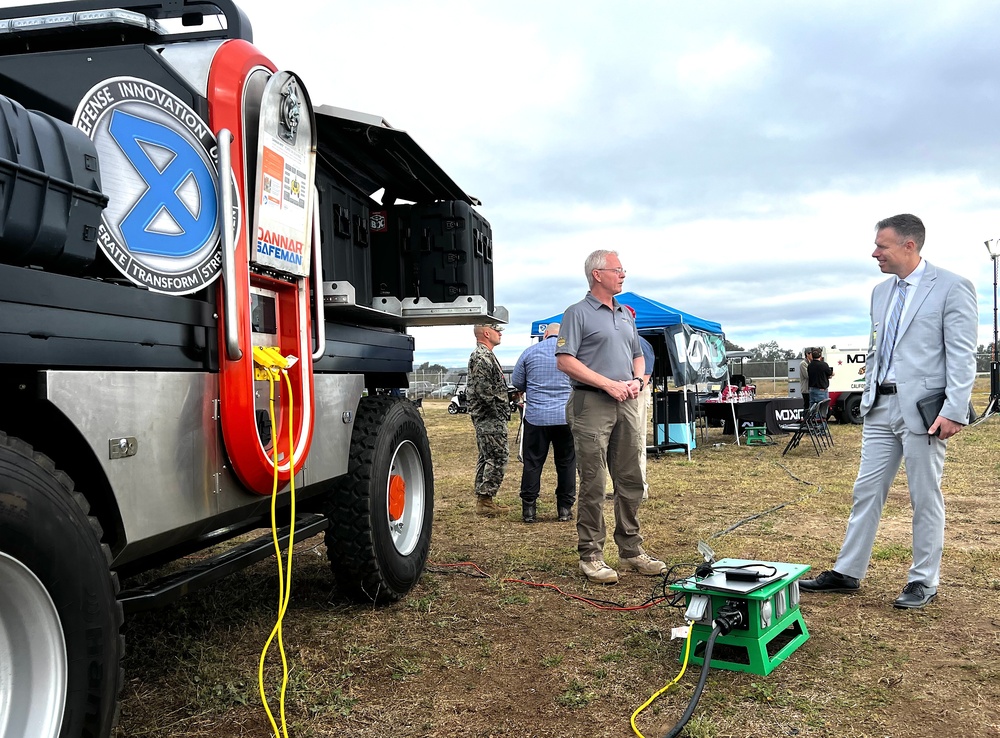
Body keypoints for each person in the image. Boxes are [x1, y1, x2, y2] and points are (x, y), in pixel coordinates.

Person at [800, 214, 978, 609]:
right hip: (879, 406)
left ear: (909, 246)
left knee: (923, 495)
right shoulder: (880, 292)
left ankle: (922, 581)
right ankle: (848, 571)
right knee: (866, 490)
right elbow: (878, 347)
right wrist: (868, 396)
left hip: (925, 411)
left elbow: (963, 356)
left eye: (882, 245)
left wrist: (954, 410)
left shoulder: (952, 287)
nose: (874, 252)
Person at [555, 249, 667, 584]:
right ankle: (591, 555)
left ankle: (631, 550)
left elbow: (638, 355)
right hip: (591, 403)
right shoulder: (577, 313)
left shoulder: (625, 314)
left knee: (631, 477)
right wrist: (608, 384)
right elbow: (565, 360)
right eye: (618, 269)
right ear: (597, 274)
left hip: (627, 402)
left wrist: (635, 381)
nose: (623, 274)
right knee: (594, 481)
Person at [511, 323, 576, 524]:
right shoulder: (572, 354)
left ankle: (529, 509)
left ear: (545, 334)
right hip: (565, 417)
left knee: (533, 462)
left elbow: (517, 382)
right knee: (566, 462)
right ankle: (564, 509)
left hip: (537, 418)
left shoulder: (529, 353)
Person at [467, 323, 512, 516]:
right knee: (497, 456)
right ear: (486, 333)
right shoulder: (483, 357)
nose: (500, 334)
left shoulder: (484, 355)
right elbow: (483, 391)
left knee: (487, 456)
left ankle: (483, 498)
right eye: (497, 330)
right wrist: (497, 410)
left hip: (488, 416)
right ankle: (485, 500)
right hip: (490, 417)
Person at [623, 304, 655, 501]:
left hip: (636, 394)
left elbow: (645, 375)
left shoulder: (640, 343)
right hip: (618, 393)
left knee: (637, 439)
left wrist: (631, 388)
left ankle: (639, 486)